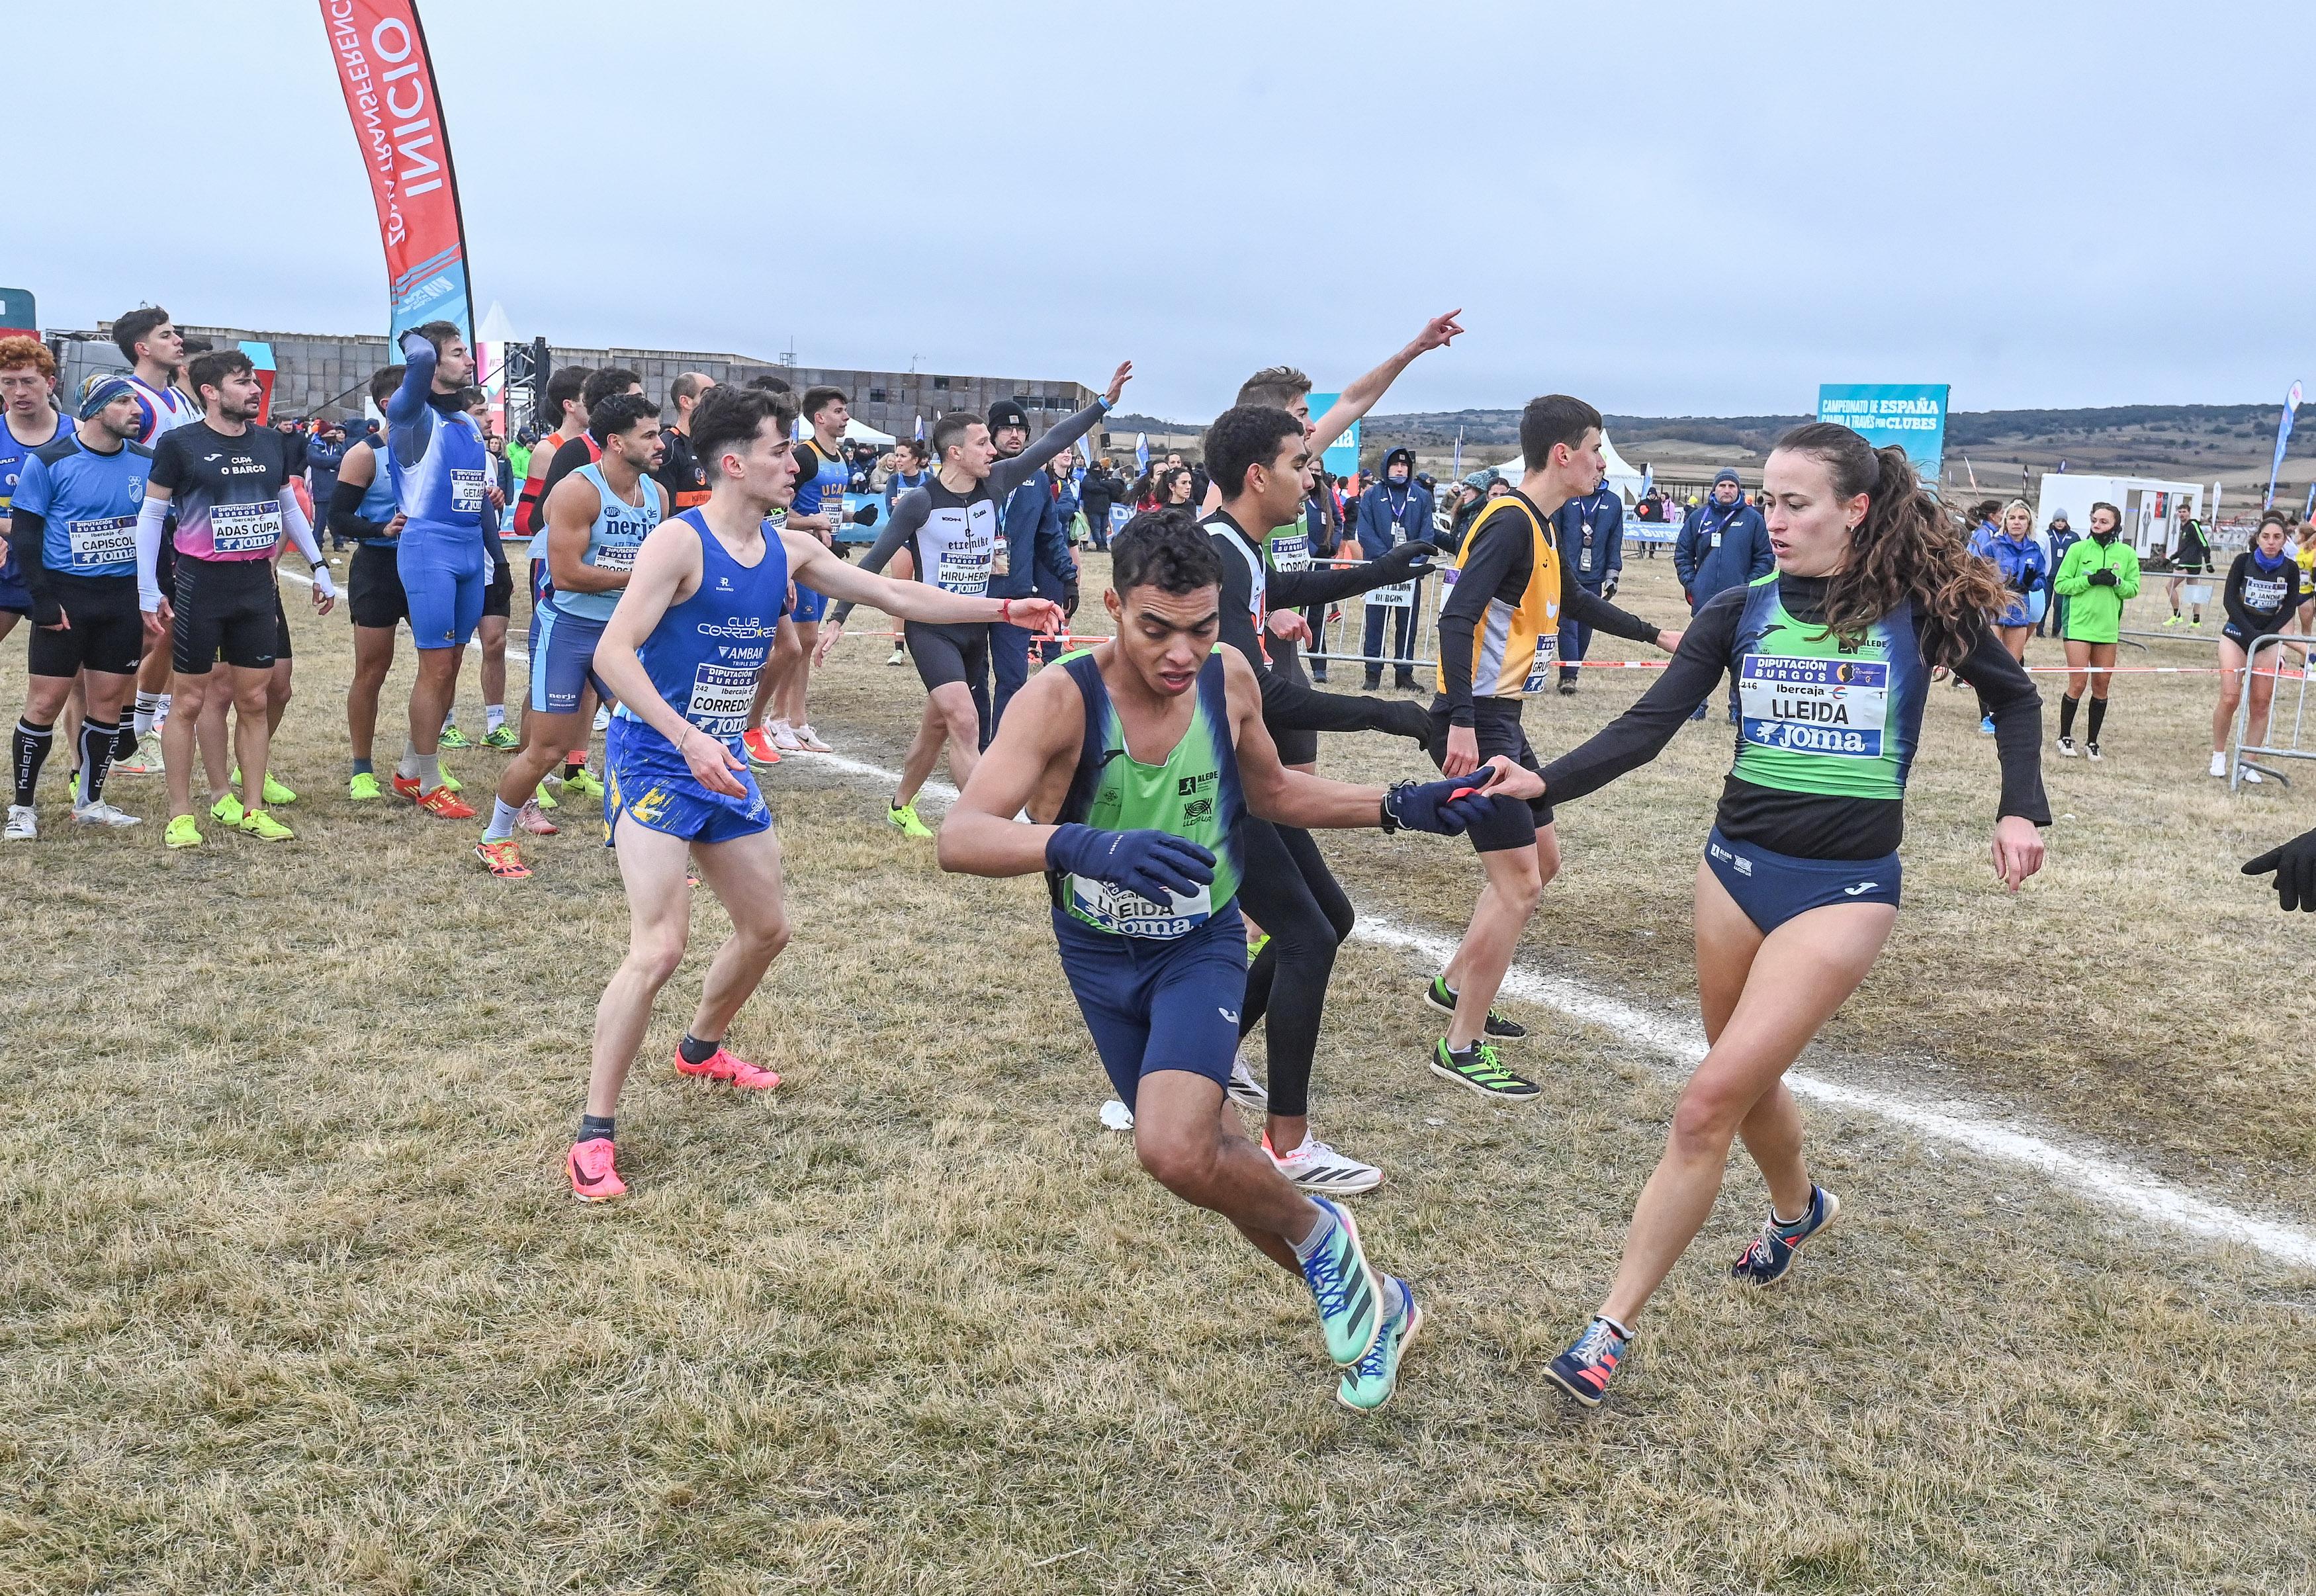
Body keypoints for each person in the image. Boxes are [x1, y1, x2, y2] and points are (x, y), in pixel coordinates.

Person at [1476, 421, 2049, 1407]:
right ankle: (1799, 1208)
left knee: (1706, 1101)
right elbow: (1650, 726)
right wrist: (1544, 785)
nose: (1771, 520)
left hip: (1848, 889)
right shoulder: (1739, 610)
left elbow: (2019, 696)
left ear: (1855, 509)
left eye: (1796, 504)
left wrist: (2021, 805)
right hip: (1734, 872)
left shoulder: (1922, 611)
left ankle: (1607, 1329)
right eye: (1768, 502)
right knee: (1745, 1082)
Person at [937, 510, 1497, 1412]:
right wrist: (1085, 848)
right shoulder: (1060, 699)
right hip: (1096, 952)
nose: (1180, 651)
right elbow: (959, 837)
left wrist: (1399, 804)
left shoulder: (1227, 678)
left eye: (1201, 628)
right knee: (1215, 1163)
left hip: (1200, 945)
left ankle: (1324, 1244)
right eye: (1157, 628)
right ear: (1114, 608)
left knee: (1171, 1149)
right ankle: (1376, 1296)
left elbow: (1274, 790)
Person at [570, 383, 1066, 1202]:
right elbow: (615, 656)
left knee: (766, 930)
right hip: (656, 759)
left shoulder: (789, 550)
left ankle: (699, 1051)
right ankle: (594, 1132)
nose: (792, 464)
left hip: (719, 762)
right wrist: (687, 738)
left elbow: (898, 595)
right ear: (734, 463)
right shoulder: (676, 544)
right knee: (659, 947)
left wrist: (1004, 606)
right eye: (777, 451)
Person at [1201, 404, 1448, 1191]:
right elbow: (1267, 699)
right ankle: (1286, 1145)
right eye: (1298, 462)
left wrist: (1387, 568)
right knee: (1306, 936)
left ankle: (1189, 1072)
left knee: (1327, 921)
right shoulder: (1218, 554)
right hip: (1220, 782)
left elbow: (1296, 582)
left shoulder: (1237, 548)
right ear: (1256, 475)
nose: (1311, 478)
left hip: (1241, 775)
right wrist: (1395, 715)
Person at [1424, 396, 1680, 1098]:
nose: (1603, 462)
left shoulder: (1538, 524)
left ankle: (1453, 987)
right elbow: (1455, 616)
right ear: (1562, 454)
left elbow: (1574, 599)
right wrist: (1457, 720)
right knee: (1519, 884)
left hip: (1503, 716)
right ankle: (1460, 1046)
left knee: (1542, 861)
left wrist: (1656, 636)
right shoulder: (1506, 522)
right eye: (1596, 448)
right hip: (1479, 719)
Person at [819, 361, 1132, 838]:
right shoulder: (920, 503)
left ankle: (901, 806)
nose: (993, 449)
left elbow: (1050, 443)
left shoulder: (997, 484)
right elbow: (874, 560)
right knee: (965, 720)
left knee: (938, 726)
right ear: (955, 453)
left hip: (974, 625)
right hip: (931, 627)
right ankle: (982, 827)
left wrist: (1103, 404)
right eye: (983, 443)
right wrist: (839, 617)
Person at [136, 349, 337, 846]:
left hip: (256, 587)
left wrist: (318, 566)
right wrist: (147, 587)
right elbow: (151, 516)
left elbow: (287, 505)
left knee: (253, 699)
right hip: (202, 584)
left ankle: (251, 809)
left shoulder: (270, 442)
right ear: (211, 391)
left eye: (255, 382)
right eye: (243, 382)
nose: (255, 390)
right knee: (188, 702)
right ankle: (182, 813)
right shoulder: (179, 444)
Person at [476, 392, 665, 878]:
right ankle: (495, 837)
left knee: (646, 739)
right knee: (549, 750)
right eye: (649, 435)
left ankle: (648, 845)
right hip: (572, 629)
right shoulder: (578, 491)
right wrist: (641, 578)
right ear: (616, 443)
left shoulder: (656, 496)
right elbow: (566, 575)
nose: (659, 443)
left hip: (626, 633)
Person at [5, 376, 154, 838]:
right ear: (94, 410)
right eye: (125, 401)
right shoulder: (51, 461)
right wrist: (43, 602)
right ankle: (22, 808)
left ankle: (90, 801)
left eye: (137, 401)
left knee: (107, 702)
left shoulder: (147, 462)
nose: (137, 410)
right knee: (45, 702)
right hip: (67, 598)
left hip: (121, 599)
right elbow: (27, 538)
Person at [330, 367, 425, 803]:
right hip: (380, 569)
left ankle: (422, 763)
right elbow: (339, 518)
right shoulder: (365, 454)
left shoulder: (437, 450)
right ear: (391, 404)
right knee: (372, 668)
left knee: (439, 668)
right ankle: (361, 766)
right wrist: (381, 529)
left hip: (427, 568)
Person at [114, 307, 200, 777]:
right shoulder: (133, 400)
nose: (178, 340)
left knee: (172, 628)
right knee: (142, 631)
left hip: (183, 526)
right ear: (142, 348)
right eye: (166, 335)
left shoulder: (181, 401)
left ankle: (142, 724)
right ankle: (122, 731)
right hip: (146, 527)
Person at [754, 385, 860, 755]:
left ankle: (797, 721)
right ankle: (776, 718)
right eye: (838, 411)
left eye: (846, 411)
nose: (846, 417)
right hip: (796, 558)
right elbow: (778, 511)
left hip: (819, 554)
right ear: (819, 418)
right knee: (794, 644)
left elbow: (826, 508)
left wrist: (845, 520)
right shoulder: (805, 457)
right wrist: (811, 522)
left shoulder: (840, 457)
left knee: (808, 641)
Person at [986, 395, 1084, 727]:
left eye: (1021, 431)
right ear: (991, 434)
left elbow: (1050, 536)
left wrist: (1067, 578)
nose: (1015, 436)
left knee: (1014, 678)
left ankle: (1001, 746)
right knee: (970, 680)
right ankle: (975, 741)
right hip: (969, 593)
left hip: (1014, 593)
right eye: (1006, 430)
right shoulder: (976, 475)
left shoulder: (1038, 480)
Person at [440, 386, 515, 752]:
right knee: (452, 648)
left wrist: (497, 501)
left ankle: (496, 723)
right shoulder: (446, 450)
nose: (489, 419)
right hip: (457, 563)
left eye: (488, 411)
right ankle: (446, 721)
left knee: (496, 642)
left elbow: (490, 509)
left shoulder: (490, 458)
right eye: (482, 412)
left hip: (489, 560)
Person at [2210, 511, 2305, 782]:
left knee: (2261, 703)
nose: (2271, 542)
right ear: (2258, 538)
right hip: (2237, 635)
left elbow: (2289, 607)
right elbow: (2230, 600)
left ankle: (2249, 762)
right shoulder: (2243, 562)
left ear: (2284, 540)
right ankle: (2219, 755)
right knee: (2230, 698)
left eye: (2277, 537)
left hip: (2267, 639)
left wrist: (2267, 633)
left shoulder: (2290, 569)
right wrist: (2250, 632)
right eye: (2266, 537)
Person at [1673, 467, 1773, 721]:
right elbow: (1683, 553)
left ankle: (1738, 711)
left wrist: (1748, 586)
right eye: (1723, 486)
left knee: (1740, 658)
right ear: (1714, 489)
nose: (1727, 490)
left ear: (1739, 490)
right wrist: (1692, 584)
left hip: (1742, 604)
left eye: (1732, 486)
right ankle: (1696, 707)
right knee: (1700, 657)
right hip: (1705, 602)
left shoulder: (1753, 520)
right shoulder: (1698, 518)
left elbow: (1765, 558)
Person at [2051, 501, 2139, 760]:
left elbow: (2133, 589)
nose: (2098, 526)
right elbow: (2061, 584)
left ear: (2115, 525)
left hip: (2107, 629)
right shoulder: (2078, 549)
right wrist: (2089, 580)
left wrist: (2116, 582)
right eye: (2094, 521)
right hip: (2079, 626)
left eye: (2104, 522)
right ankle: (2065, 736)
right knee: (2078, 683)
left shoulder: (2126, 554)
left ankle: (2093, 741)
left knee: (2102, 686)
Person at [0, 337, 69, 646]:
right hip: (4, 565)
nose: (19, 392)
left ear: (50, 383)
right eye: (8, 382)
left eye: (28, 381)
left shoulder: (78, 434)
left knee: (70, 680)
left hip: (59, 569)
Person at [1354, 448, 1434, 690]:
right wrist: (1387, 559)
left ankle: (1404, 674)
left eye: (1404, 465)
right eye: (1395, 465)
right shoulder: (1372, 496)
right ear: (1386, 467)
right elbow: (1365, 531)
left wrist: (1413, 563)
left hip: (1409, 573)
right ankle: (1373, 673)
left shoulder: (1420, 497)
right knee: (1376, 623)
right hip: (1379, 572)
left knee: (1407, 625)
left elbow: (1427, 534)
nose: (1400, 469)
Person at [1969, 500, 2047, 732]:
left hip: (2020, 611)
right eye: (2012, 518)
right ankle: (1987, 715)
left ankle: (2006, 712)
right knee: (1992, 663)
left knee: (2012, 666)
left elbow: (2042, 579)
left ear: (2029, 523)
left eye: (2022, 518)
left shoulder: (2034, 549)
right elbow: (1977, 573)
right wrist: (1994, 585)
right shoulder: (1994, 546)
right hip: (1995, 608)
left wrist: (2033, 582)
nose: (2017, 522)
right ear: (2005, 522)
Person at [1553, 475, 1625, 695]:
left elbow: (1615, 540)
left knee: (1586, 627)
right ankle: (1568, 676)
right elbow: (1554, 534)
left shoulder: (1613, 502)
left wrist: (1613, 575)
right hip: (1566, 574)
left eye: (1599, 471)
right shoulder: (1566, 497)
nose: (1594, 475)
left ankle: (1572, 670)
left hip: (1594, 576)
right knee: (1567, 626)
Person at [654, 372, 717, 516]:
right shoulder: (668, 447)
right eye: (708, 395)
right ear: (686, 402)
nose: (716, 400)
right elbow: (665, 514)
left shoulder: (713, 445)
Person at [2166, 510, 2211, 627]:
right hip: (2188, 562)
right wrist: (2170, 558)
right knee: (2194, 591)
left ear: (2189, 513)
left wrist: (2208, 562)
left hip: (2189, 563)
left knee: (2170, 586)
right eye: (2180, 512)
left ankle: (2177, 616)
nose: (2182, 514)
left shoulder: (2193, 525)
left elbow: (2203, 542)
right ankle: (2196, 621)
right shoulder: (2184, 528)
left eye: (2184, 512)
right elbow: (2183, 549)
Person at [307, 421, 349, 548]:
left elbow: (345, 460)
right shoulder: (313, 447)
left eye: (334, 433)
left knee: (337, 517)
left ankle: (339, 543)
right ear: (323, 434)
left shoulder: (339, 447)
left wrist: (330, 463)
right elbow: (317, 461)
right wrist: (335, 461)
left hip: (336, 487)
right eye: (330, 434)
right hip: (321, 487)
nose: (333, 436)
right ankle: (317, 544)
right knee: (320, 519)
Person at [2039, 509, 2077, 641]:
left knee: (2060, 605)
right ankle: (2039, 629)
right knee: (2045, 603)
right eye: (2058, 521)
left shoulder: (2073, 537)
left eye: (2063, 521)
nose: (2060, 524)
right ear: (2053, 521)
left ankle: (2056, 630)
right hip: (2049, 576)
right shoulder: (2047, 535)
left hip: (2063, 577)